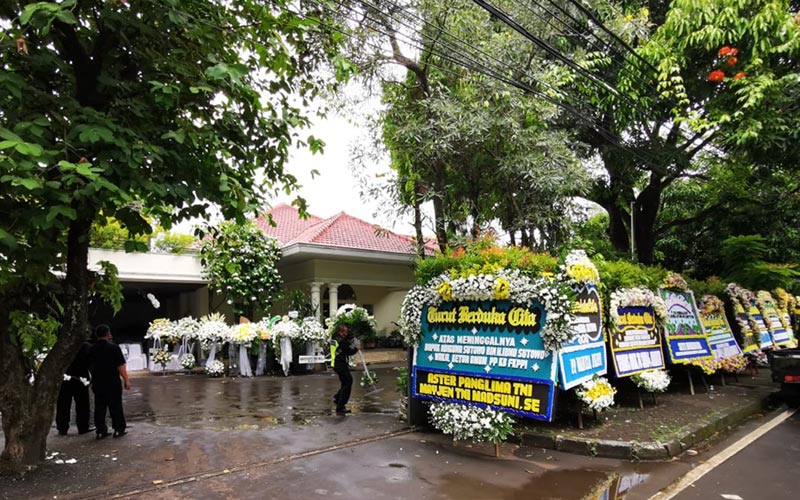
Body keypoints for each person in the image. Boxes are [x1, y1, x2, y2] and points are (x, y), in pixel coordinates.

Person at [89, 324, 130, 439]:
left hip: (98, 381)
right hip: (112, 381)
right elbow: (120, 366)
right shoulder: (114, 348)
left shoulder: (92, 349)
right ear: (108, 334)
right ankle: (118, 429)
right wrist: (126, 380)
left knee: (100, 407)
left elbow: (90, 366)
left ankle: (100, 431)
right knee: (116, 406)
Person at [55, 335, 94, 435]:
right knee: (83, 404)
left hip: (65, 378)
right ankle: (83, 427)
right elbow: (90, 363)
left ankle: (62, 427)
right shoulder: (86, 346)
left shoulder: (62, 346)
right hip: (81, 378)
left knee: (63, 403)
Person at [330, 324, 359, 414]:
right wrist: (356, 348)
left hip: (335, 363)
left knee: (345, 382)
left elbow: (343, 348)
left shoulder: (334, 338)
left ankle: (338, 398)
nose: (346, 334)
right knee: (348, 382)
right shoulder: (341, 341)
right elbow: (348, 351)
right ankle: (340, 406)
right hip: (340, 364)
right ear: (340, 332)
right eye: (345, 332)